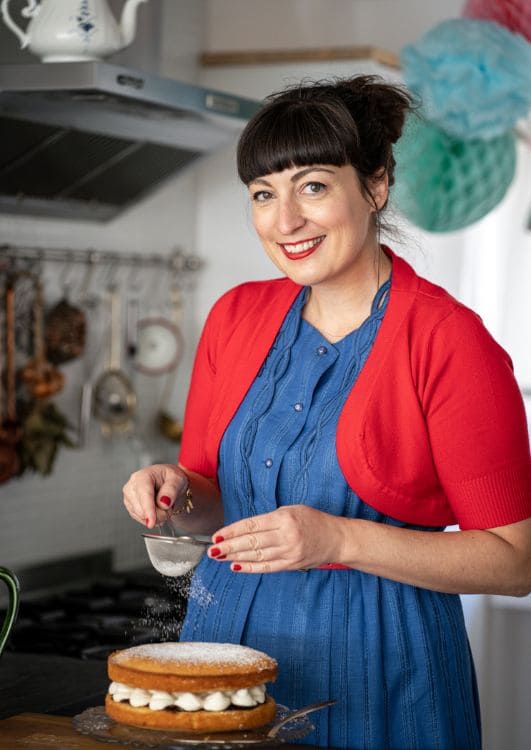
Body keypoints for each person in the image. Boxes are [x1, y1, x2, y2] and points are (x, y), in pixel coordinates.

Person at [123, 75, 531, 749]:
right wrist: (170, 492)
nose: (284, 221)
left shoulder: (448, 340)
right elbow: (210, 504)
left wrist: (338, 540)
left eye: (311, 185)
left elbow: (515, 562)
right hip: (221, 661)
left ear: (373, 188)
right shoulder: (233, 318)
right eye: (263, 194)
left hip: (381, 672)